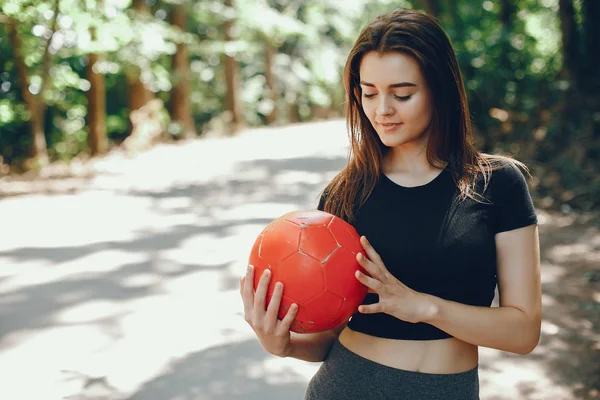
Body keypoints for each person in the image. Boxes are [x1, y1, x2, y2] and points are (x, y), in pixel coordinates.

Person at [240, 8, 541, 400]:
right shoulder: (344, 194)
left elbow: (523, 331)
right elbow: (330, 335)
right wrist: (284, 345)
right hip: (347, 386)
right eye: (368, 93)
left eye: (402, 94)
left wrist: (421, 306)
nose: (382, 110)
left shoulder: (498, 184)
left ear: (440, 89)